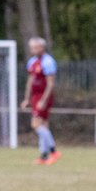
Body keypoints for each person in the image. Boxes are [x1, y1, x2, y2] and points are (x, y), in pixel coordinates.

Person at [21, 36, 59, 165]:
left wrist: (43, 100)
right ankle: (44, 156)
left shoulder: (48, 62)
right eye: (31, 48)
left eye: (35, 47)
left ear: (42, 47)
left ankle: (54, 151)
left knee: (36, 124)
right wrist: (27, 98)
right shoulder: (32, 62)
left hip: (44, 96)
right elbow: (30, 81)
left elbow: (50, 84)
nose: (33, 50)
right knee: (43, 126)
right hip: (35, 96)